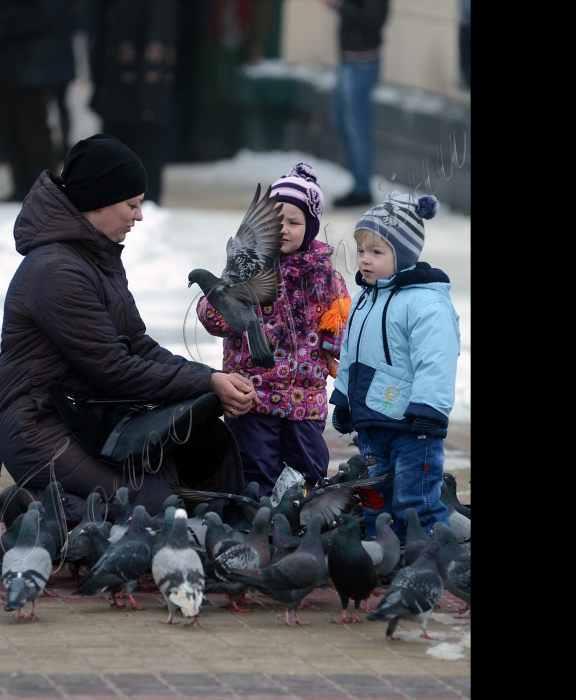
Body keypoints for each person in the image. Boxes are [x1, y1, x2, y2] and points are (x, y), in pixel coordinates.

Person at [0, 134, 259, 522]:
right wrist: (204, 384)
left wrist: (211, 378)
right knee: (153, 507)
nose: (140, 215)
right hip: (40, 424)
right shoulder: (55, 271)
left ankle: (221, 526)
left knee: (204, 441)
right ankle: (34, 506)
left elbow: (137, 344)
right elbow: (114, 368)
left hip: (90, 413)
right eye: (132, 204)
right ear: (98, 200)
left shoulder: (96, 255)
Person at [196, 164, 352, 498]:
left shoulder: (326, 276)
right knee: (254, 469)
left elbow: (342, 323)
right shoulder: (245, 266)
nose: (283, 229)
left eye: (294, 223)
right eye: (276, 221)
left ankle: (301, 525)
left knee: (308, 469)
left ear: (310, 228)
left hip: (305, 399)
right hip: (253, 396)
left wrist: (337, 340)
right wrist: (225, 294)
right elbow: (213, 319)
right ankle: (256, 522)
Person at [329, 191, 460, 547]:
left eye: (377, 252)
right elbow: (352, 354)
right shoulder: (364, 298)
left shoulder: (426, 302)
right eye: (361, 252)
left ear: (402, 255)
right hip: (373, 422)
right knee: (376, 497)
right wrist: (344, 400)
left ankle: (429, 560)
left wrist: (430, 411)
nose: (365, 260)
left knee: (414, 499)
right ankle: (381, 557)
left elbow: (436, 360)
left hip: (411, 424)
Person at [0, 0, 76, 202]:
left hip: (34, 61)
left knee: (34, 129)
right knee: (13, 127)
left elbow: (46, 12)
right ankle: (24, 186)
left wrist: (2, 23)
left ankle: (48, 191)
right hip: (13, 62)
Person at [87, 0, 178, 204]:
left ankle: (143, 205)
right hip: (115, 84)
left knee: (144, 150)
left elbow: (159, 33)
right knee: (114, 150)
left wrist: (149, 90)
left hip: (142, 88)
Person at [323, 0, 390, 208]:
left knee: (356, 127)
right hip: (348, 60)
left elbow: (373, 19)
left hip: (362, 63)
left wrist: (341, 6)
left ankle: (361, 190)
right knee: (342, 123)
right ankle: (358, 184)